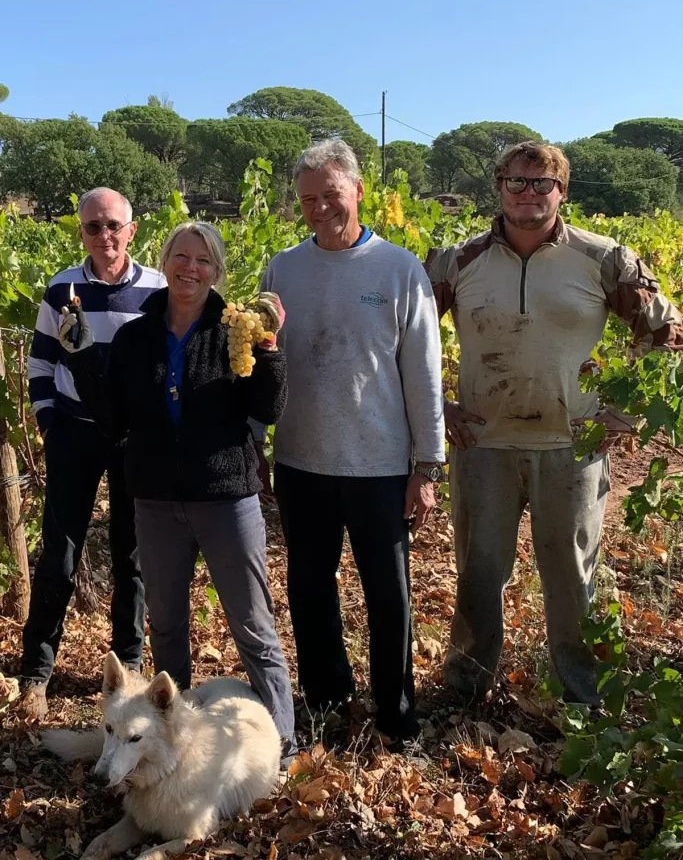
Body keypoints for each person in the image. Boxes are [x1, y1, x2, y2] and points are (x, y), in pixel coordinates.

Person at [425, 141, 683, 706]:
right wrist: (436, 407)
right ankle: (467, 689)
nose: (529, 194)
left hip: (573, 448)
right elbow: (404, 338)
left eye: (543, 184)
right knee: (476, 576)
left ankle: (582, 696)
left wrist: (627, 412)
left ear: (563, 191)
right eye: (517, 183)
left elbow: (666, 333)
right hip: (482, 444)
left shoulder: (604, 258)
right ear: (499, 189)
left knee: (572, 583)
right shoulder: (457, 262)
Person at [60, 220, 297, 761]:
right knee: (166, 626)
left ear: (216, 271)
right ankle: (175, 744)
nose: (191, 269)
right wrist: (80, 356)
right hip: (156, 501)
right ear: (164, 262)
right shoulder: (135, 337)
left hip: (225, 500)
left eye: (203, 260)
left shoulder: (234, 330)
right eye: (181, 257)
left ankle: (281, 738)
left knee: (252, 623)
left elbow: (268, 409)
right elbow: (113, 419)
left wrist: (271, 348)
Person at [257, 139, 446, 745]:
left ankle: (395, 716)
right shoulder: (282, 269)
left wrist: (428, 465)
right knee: (310, 592)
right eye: (307, 199)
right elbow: (262, 365)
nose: (319, 209)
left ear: (358, 191)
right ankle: (327, 702)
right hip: (301, 462)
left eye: (330, 195)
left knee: (388, 598)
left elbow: (423, 372)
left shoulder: (398, 269)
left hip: (379, 465)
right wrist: (255, 445)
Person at [19, 188, 166, 720]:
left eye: (113, 226)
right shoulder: (62, 288)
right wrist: (49, 425)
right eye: (93, 227)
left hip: (133, 442)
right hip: (75, 436)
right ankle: (36, 669)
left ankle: (128, 662)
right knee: (59, 550)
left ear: (131, 230)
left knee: (132, 556)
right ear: (81, 232)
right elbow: (39, 363)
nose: (104, 236)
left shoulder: (158, 290)